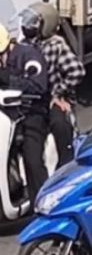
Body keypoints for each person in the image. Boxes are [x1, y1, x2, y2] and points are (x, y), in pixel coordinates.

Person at [16, 3, 83, 164]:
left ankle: (67, 163)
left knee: (60, 125)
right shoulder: (25, 44)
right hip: (32, 99)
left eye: (33, 23)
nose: (28, 26)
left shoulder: (56, 45)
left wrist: (58, 93)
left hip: (54, 98)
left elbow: (77, 72)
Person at [0, 24, 51, 202]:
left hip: (31, 113)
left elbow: (39, 86)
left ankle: (43, 201)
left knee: (32, 157)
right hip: (6, 115)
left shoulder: (29, 55)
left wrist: (8, 79)